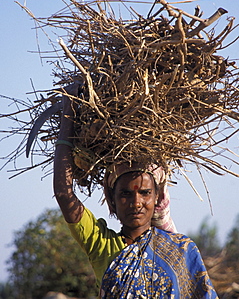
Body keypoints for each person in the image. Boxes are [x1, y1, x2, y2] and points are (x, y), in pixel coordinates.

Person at [53, 84, 218, 298]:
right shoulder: (101, 245)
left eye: (145, 193)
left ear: (157, 197)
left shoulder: (182, 251)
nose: (136, 202)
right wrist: (69, 115)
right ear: (111, 201)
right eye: (125, 194)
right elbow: (64, 194)